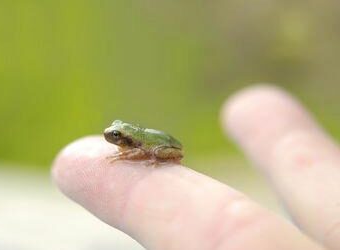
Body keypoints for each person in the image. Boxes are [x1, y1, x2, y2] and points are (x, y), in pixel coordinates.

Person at [52, 85, 339, 250]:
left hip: (165, 146)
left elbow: (142, 150)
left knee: (151, 153)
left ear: (125, 138)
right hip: (157, 139)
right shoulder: (129, 139)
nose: (112, 138)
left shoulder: (135, 145)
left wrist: (133, 157)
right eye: (114, 135)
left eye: (116, 137)